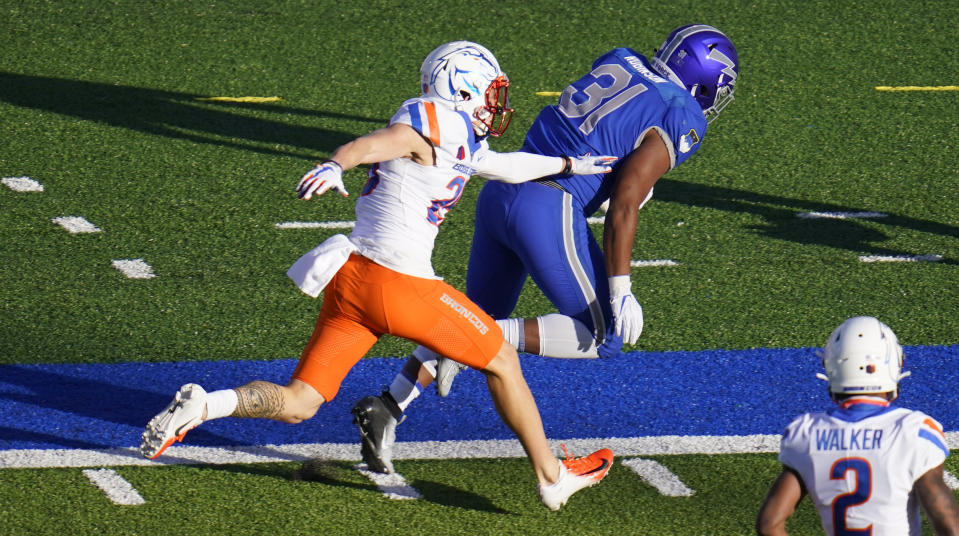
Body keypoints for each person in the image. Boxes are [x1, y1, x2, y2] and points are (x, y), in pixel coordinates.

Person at [139, 41, 619, 510]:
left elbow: (499, 165)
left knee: (299, 402)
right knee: (502, 359)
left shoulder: (455, 135)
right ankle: (552, 477)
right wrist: (337, 161)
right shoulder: (431, 122)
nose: (497, 103)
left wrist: (570, 164)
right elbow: (378, 143)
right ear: (463, 89)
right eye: (490, 92)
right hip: (400, 283)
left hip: (352, 281)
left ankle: (205, 405)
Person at [352, 24, 740, 474]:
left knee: (468, 315)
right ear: (703, 81)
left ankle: (388, 406)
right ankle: (469, 341)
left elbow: (607, 141)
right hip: (549, 206)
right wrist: (621, 288)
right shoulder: (680, 111)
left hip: (503, 192)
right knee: (603, 335)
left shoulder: (620, 57)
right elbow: (625, 203)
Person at [756, 316, 959, 535]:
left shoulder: (807, 433)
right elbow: (945, 518)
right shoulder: (913, 431)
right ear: (894, 364)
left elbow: (770, 524)